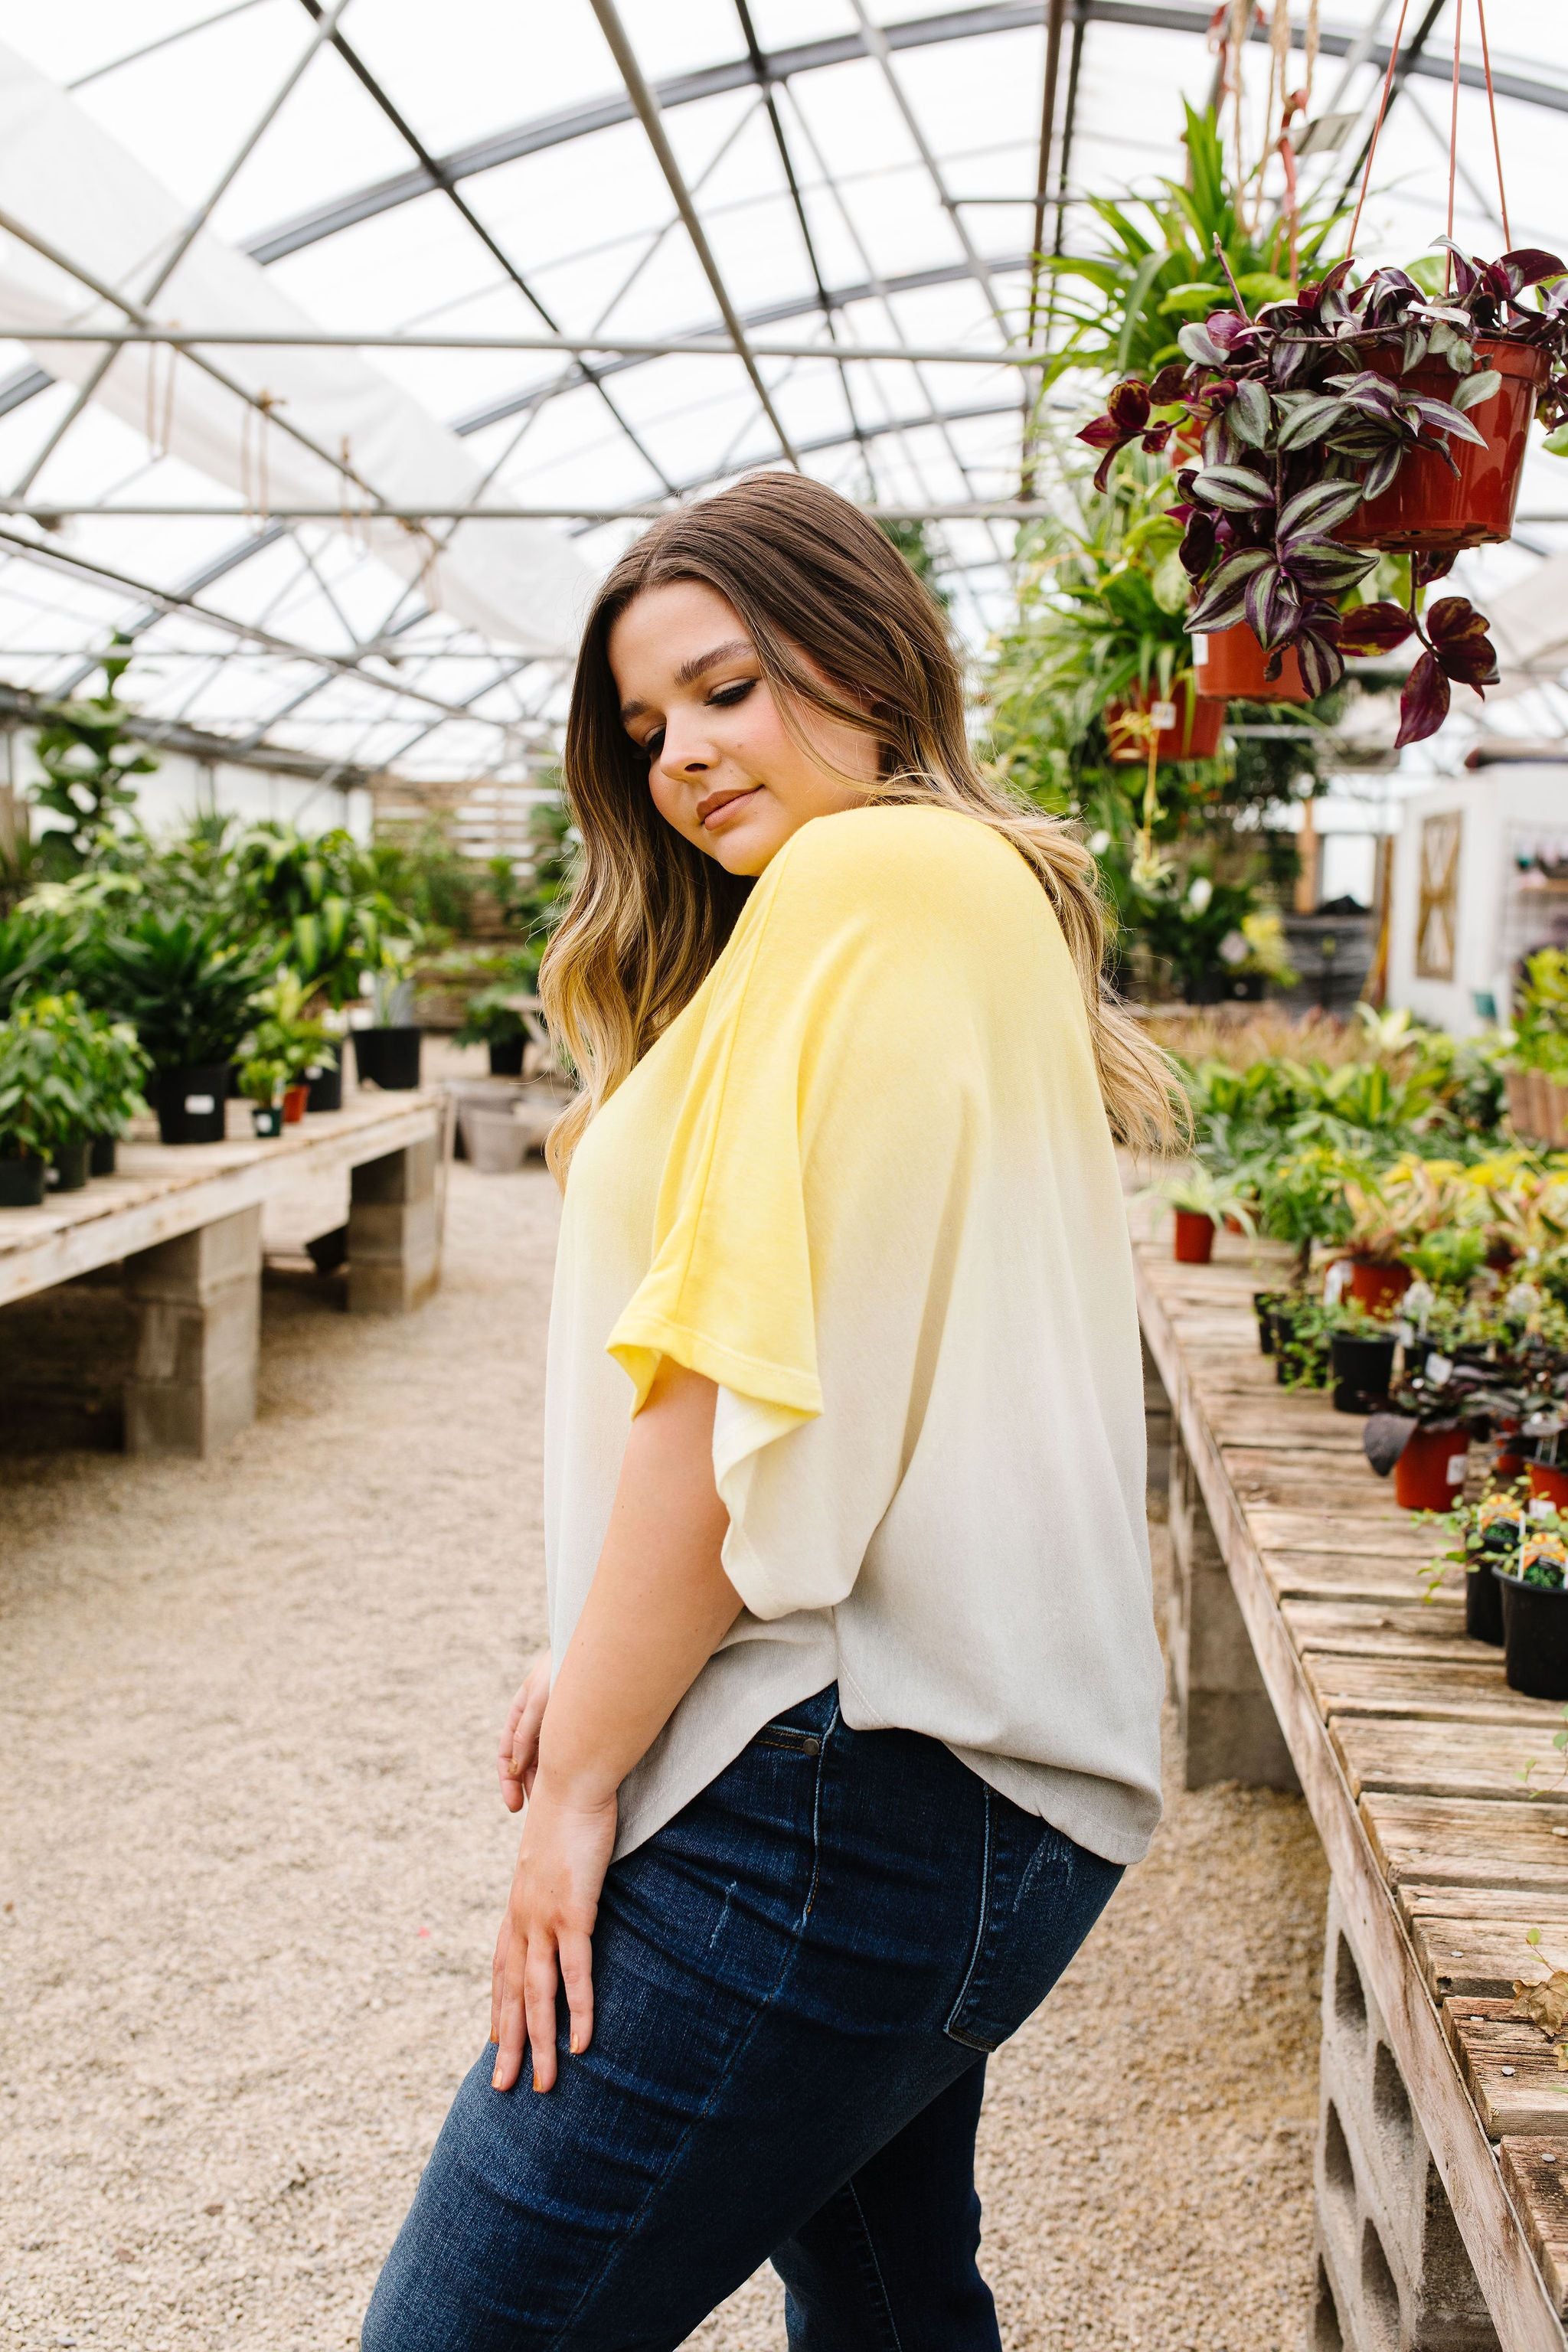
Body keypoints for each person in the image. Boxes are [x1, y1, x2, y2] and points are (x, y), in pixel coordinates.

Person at [362, 472, 1182, 2352]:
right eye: (649, 727)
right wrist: (595, 1661)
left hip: (842, 1790)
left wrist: (576, 1792)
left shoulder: (868, 874)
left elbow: (734, 1387)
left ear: (869, 661)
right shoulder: (930, 902)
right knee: (889, 2304)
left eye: (727, 689)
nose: (681, 758)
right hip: (933, 1778)